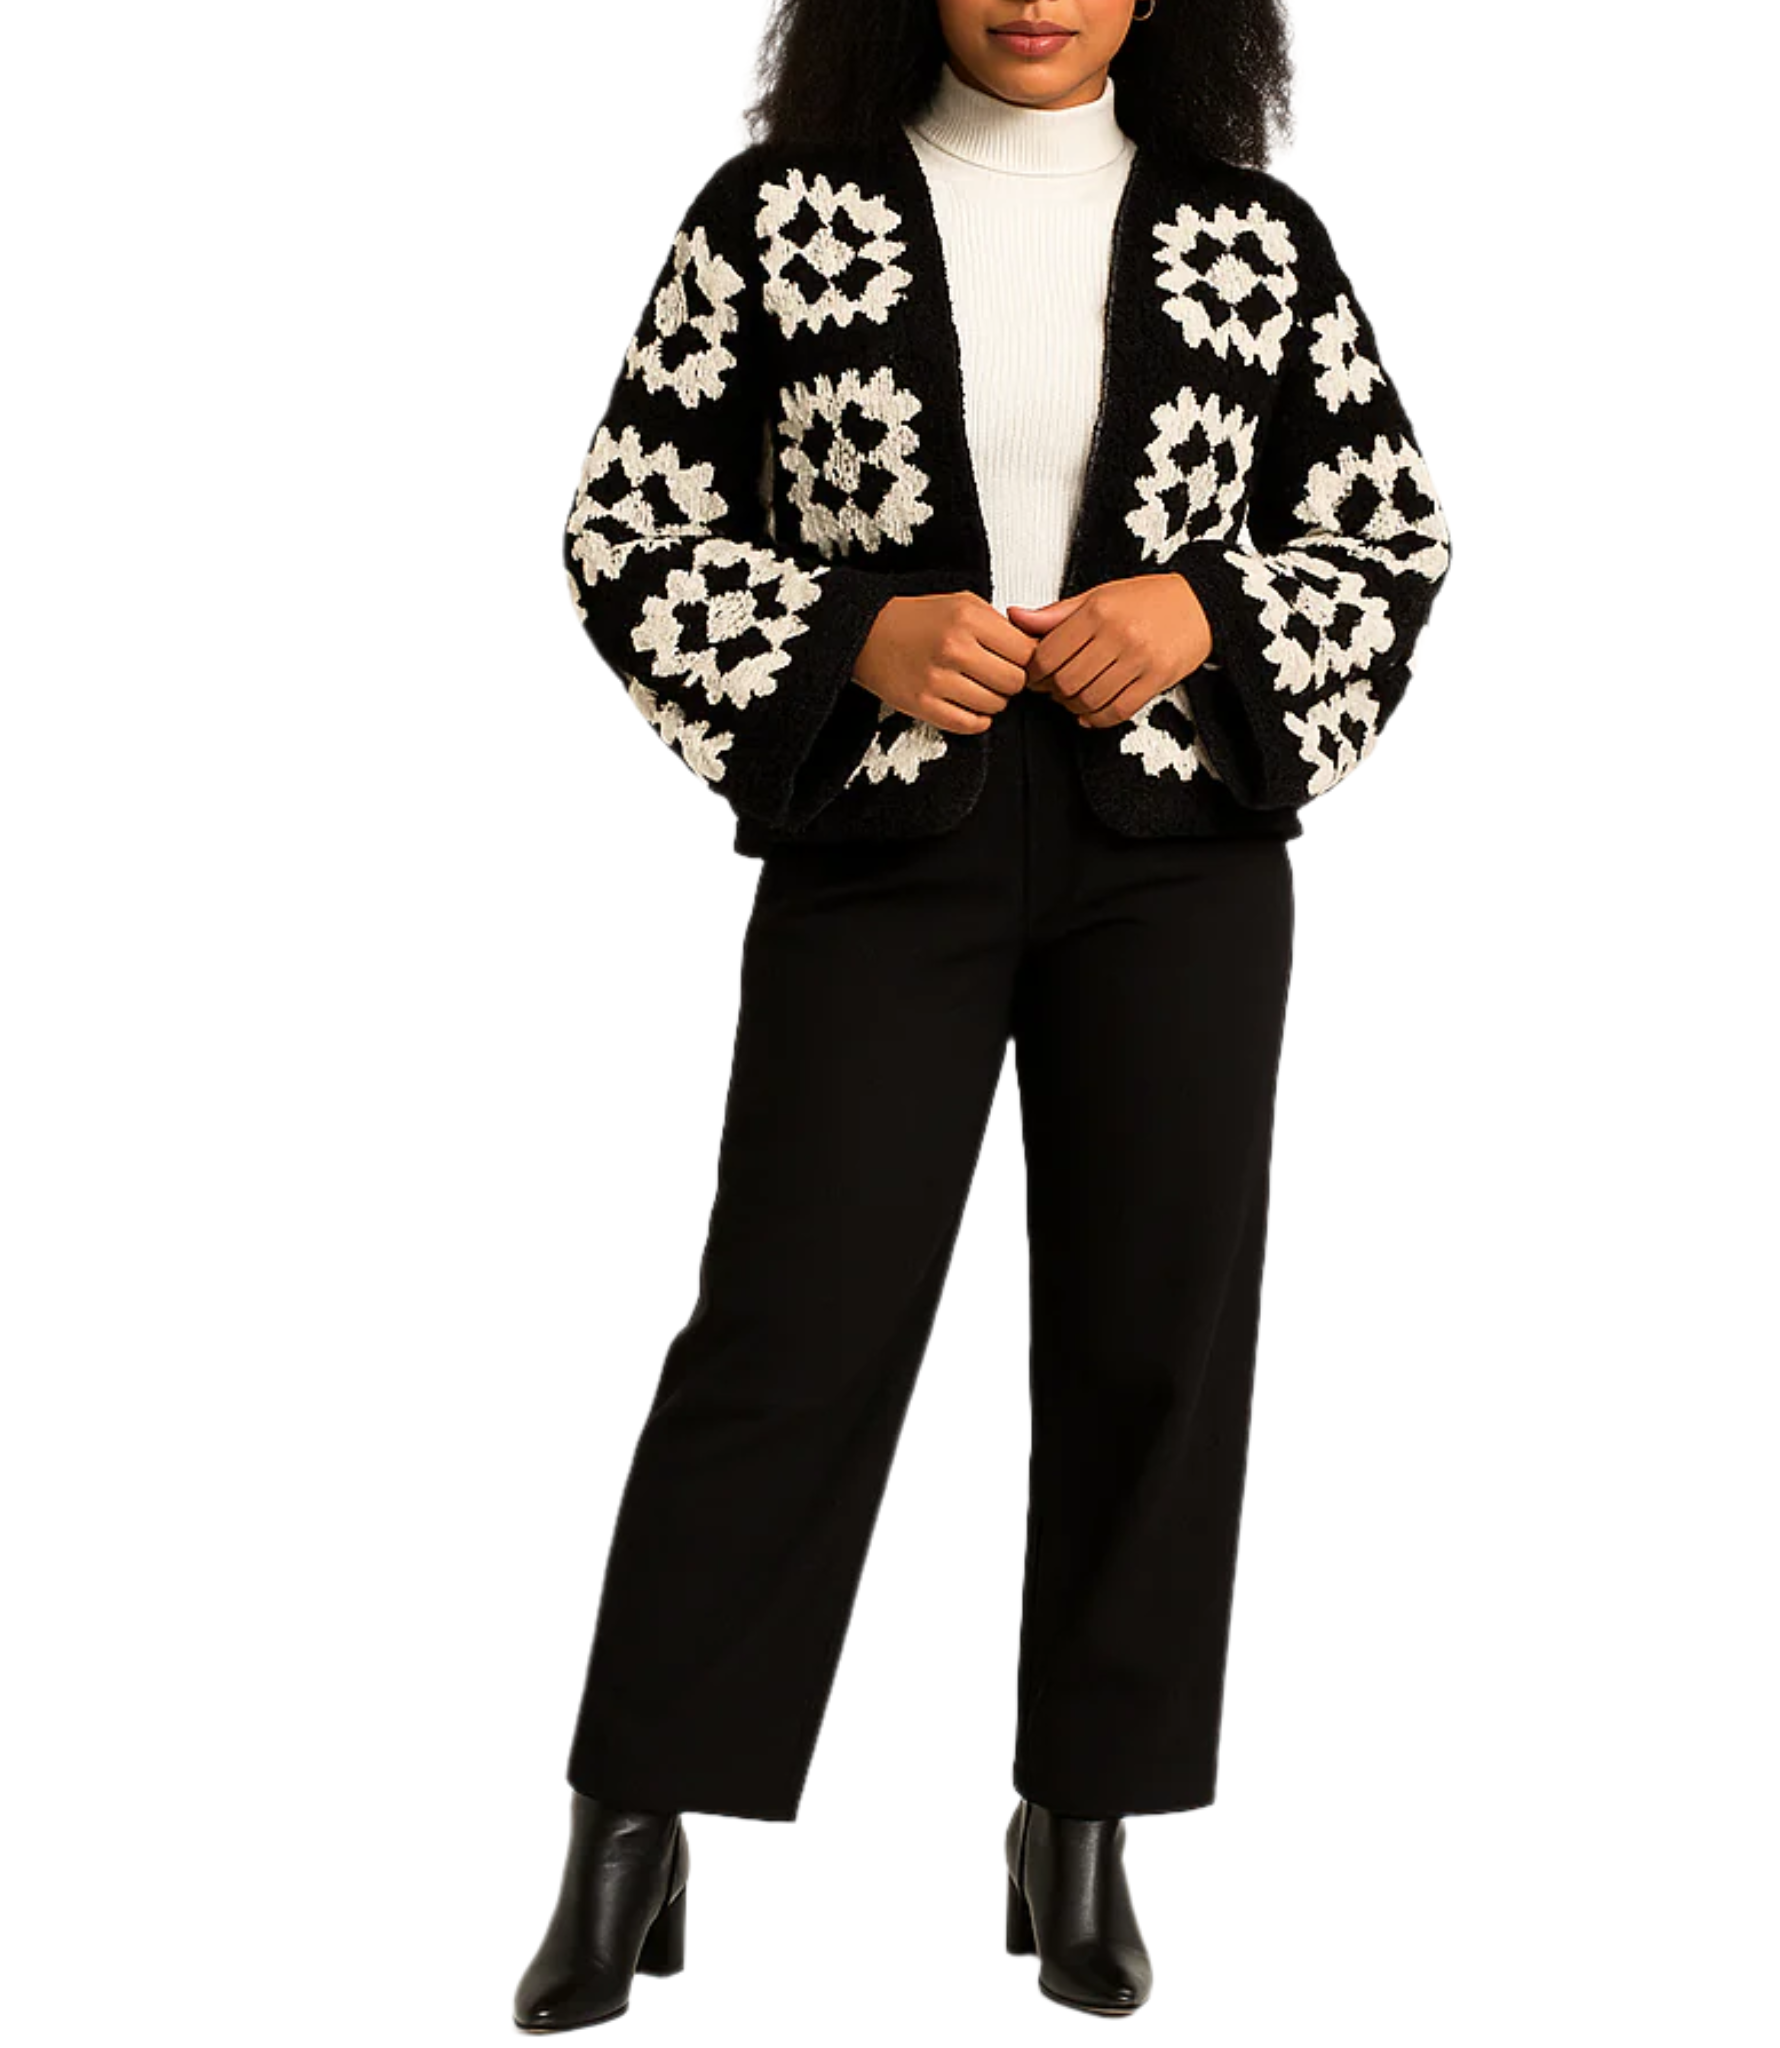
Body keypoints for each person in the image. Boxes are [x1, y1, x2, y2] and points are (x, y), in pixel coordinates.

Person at [516, 0, 1451, 2027]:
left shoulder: (1249, 236)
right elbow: (629, 527)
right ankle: (631, 1817)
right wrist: (857, 630)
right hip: (883, 847)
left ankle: (1080, 1821)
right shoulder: (778, 220)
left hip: (1180, 856)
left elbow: (1386, 536)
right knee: (794, 1326)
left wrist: (1205, 609)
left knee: (1152, 1335)